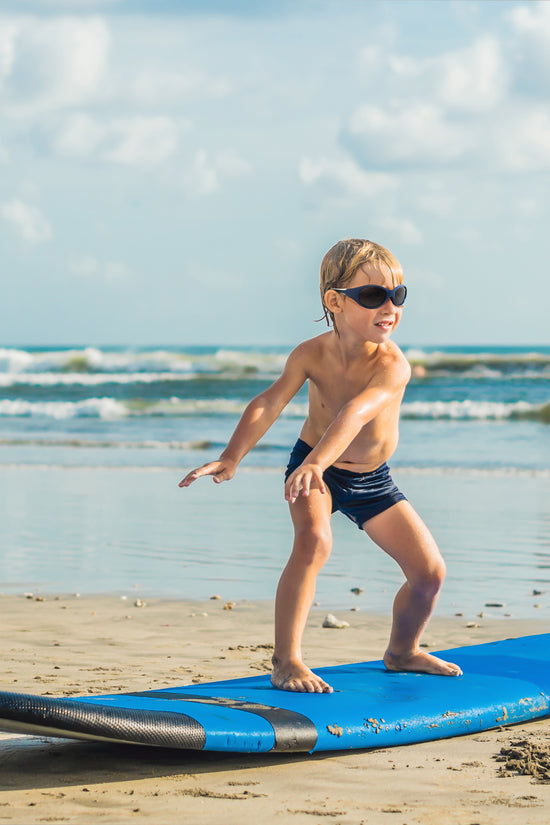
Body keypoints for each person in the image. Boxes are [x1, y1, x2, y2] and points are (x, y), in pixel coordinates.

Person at [179, 238, 462, 693]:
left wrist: (317, 461)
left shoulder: (393, 365)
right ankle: (286, 661)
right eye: (373, 296)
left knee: (430, 573)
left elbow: (354, 414)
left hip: (370, 479)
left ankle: (402, 651)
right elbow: (269, 401)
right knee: (313, 543)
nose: (389, 306)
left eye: (398, 294)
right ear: (335, 301)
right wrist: (232, 456)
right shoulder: (310, 353)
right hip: (315, 470)